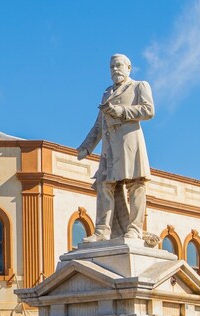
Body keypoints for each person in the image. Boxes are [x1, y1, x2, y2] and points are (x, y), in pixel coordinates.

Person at [77, 54, 154, 242]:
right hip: (109, 148)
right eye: (111, 67)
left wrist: (122, 112)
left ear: (129, 67)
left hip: (130, 143)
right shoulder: (107, 93)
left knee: (136, 185)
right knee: (104, 184)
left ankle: (135, 229)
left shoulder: (139, 86)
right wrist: (86, 147)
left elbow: (148, 110)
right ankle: (102, 230)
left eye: (119, 65)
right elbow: (98, 124)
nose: (115, 69)